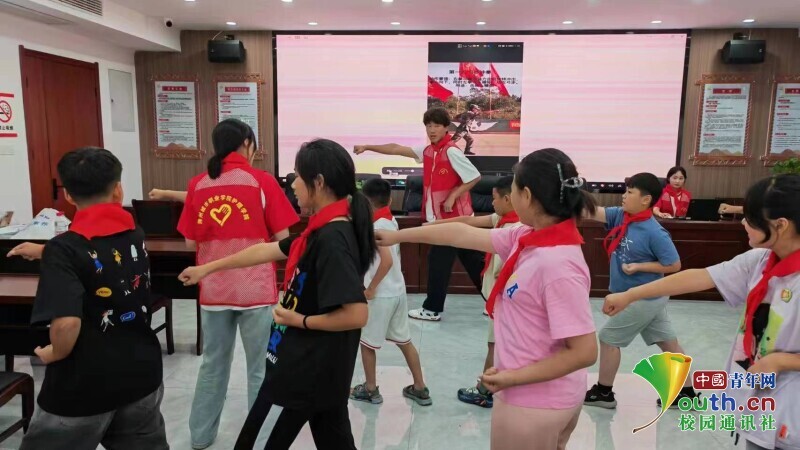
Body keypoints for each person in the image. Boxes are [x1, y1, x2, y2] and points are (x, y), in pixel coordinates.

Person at [376, 148, 598, 450]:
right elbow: (459, 234)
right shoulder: (528, 236)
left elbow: (584, 352)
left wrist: (513, 378)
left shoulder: (557, 263)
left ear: (527, 196)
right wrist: (399, 236)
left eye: (514, 188)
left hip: (535, 402)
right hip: (534, 396)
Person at [178, 138, 375, 450]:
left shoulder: (332, 239)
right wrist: (208, 268)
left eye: (297, 176)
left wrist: (299, 320)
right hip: (323, 370)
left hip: (304, 369)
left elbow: (356, 313)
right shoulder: (320, 231)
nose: (292, 184)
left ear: (318, 182)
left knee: (257, 440)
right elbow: (265, 250)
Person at [603, 174, 800, 450]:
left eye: (751, 219)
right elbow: (700, 277)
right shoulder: (761, 260)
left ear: (781, 225)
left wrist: (781, 362)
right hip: (761, 406)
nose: (743, 223)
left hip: (791, 411)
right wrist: (629, 295)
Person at [8, 148, 168, 449]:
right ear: (118, 190)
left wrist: (55, 352)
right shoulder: (135, 232)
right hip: (141, 372)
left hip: (84, 383)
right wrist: (46, 251)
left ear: (68, 195)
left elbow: (68, 322)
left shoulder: (64, 249)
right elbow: (103, 255)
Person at [176, 119, 299, 449]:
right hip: (255, 290)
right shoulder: (262, 181)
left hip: (213, 290)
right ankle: (259, 441)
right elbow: (284, 238)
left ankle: (200, 437)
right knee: (260, 369)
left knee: (212, 366)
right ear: (247, 143)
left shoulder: (198, 183)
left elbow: (190, 242)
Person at [354, 106, 484, 321]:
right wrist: (368, 147)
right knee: (472, 262)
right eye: (428, 126)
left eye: (437, 126)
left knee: (439, 262)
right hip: (443, 220)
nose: (432, 130)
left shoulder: (451, 151)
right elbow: (396, 149)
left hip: (452, 219)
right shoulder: (428, 151)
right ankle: (494, 300)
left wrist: (453, 196)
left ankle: (432, 309)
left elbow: (474, 176)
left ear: (446, 128)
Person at [583, 173, 697, 409]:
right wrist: (570, 194)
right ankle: (686, 393)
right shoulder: (620, 216)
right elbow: (591, 212)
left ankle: (604, 392)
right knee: (667, 343)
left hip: (643, 297)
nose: (624, 196)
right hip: (647, 298)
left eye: (630, 192)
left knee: (608, 338)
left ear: (646, 200)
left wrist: (640, 266)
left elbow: (674, 264)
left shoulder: (654, 232)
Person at [424, 175, 522, 408]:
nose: (491, 203)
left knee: (495, 345)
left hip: (505, 302)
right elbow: (467, 222)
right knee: (498, 344)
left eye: (494, 198)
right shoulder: (503, 219)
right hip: (497, 300)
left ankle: (484, 391)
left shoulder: (514, 230)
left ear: (508, 199)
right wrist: (433, 226)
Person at [349, 178, 432, 407]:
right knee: (405, 341)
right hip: (397, 291)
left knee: (367, 344)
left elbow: (385, 261)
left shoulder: (376, 227)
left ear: (366, 202)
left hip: (381, 295)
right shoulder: (390, 220)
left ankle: (370, 389)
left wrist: (371, 288)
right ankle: (419, 387)